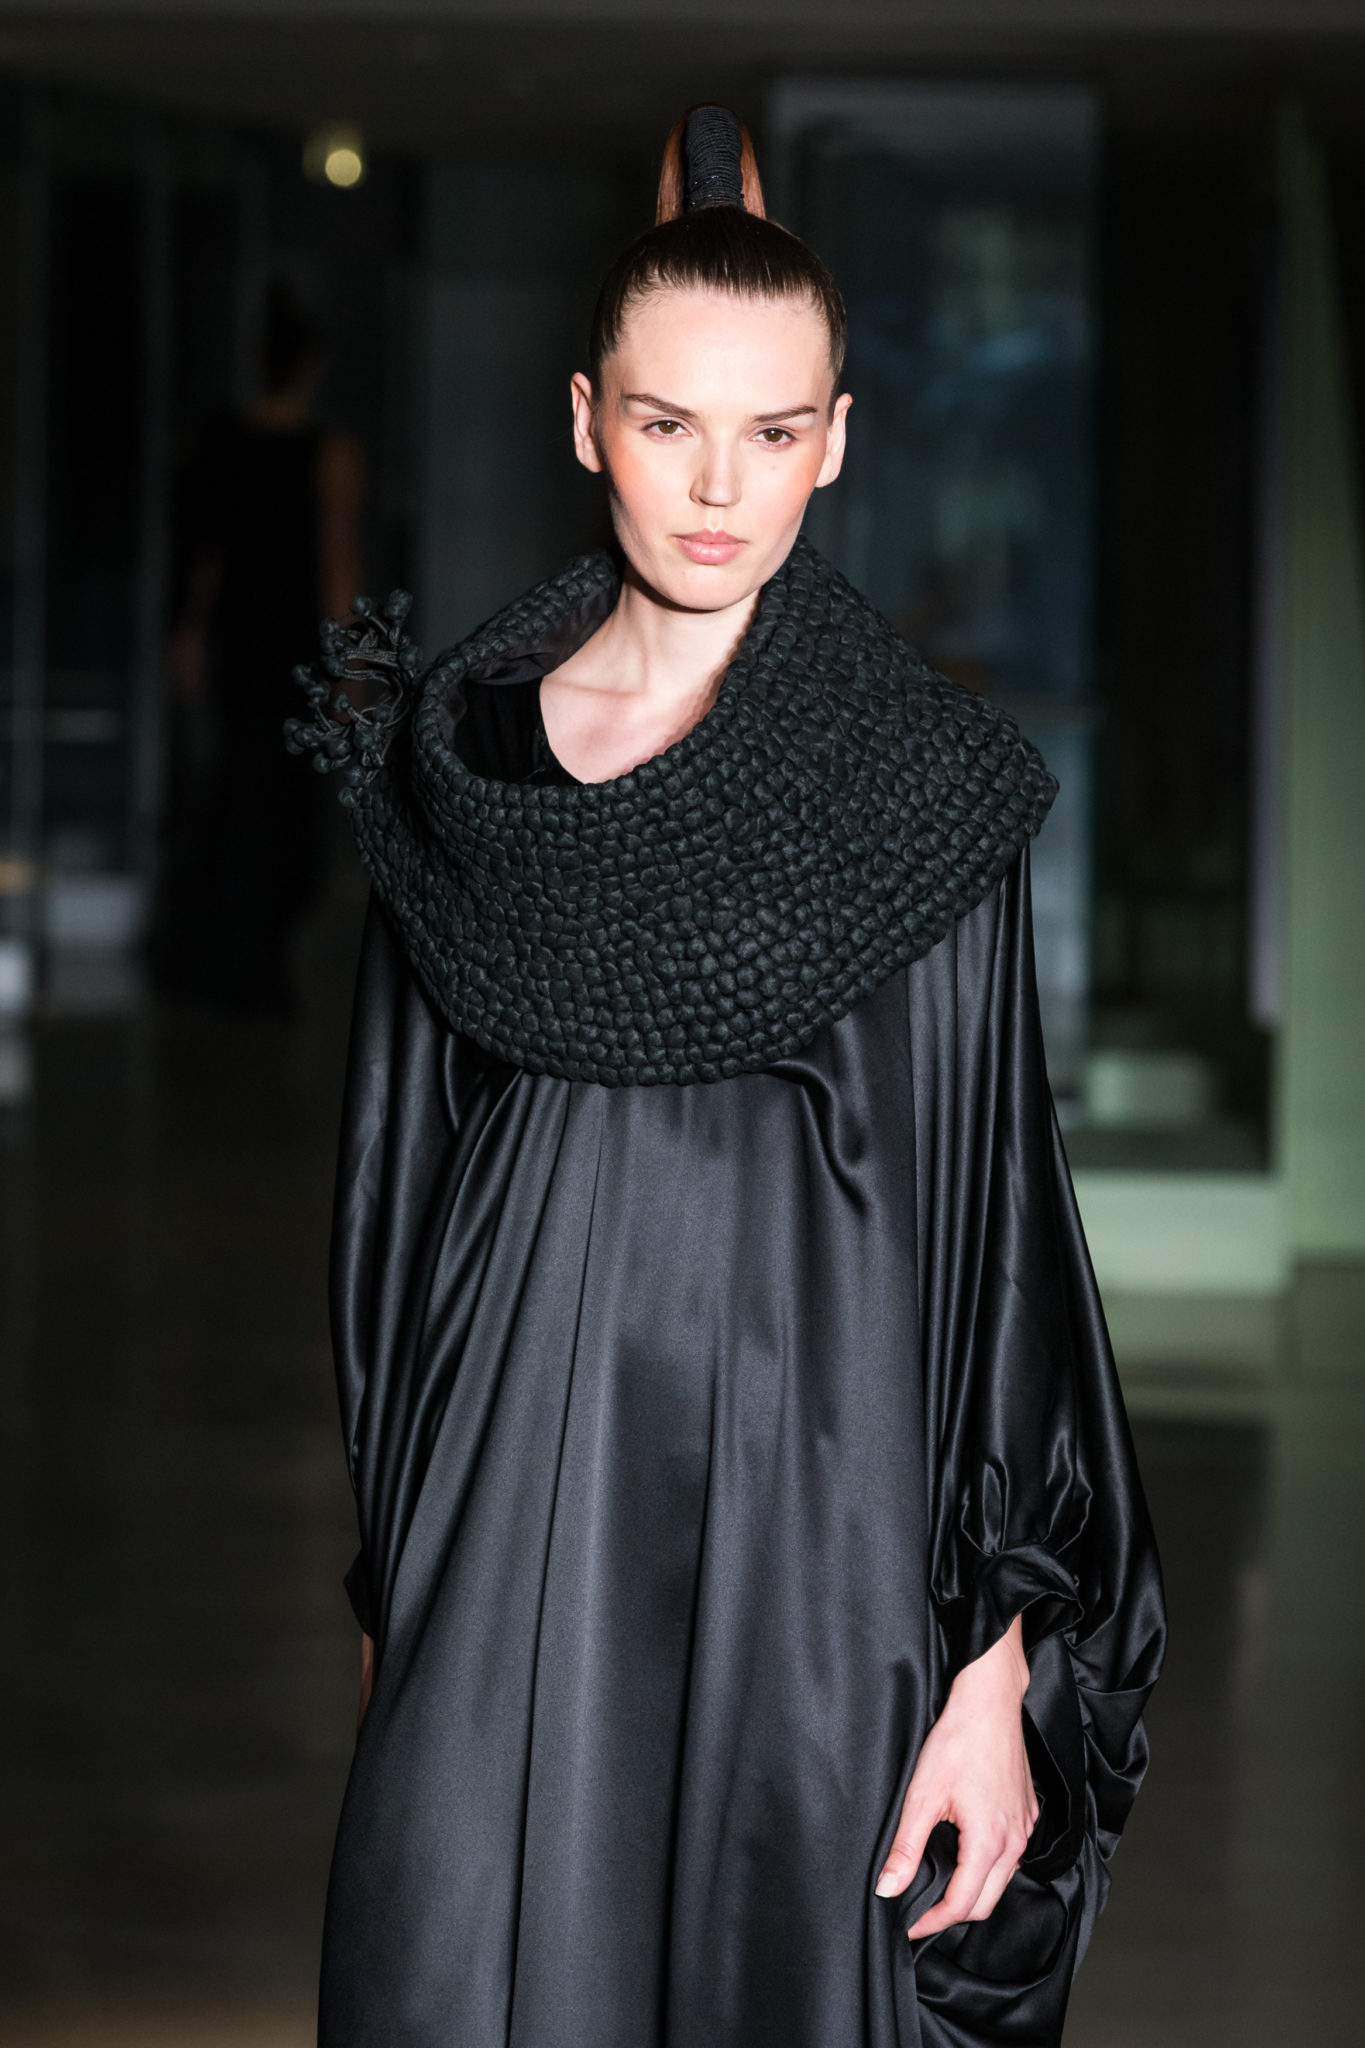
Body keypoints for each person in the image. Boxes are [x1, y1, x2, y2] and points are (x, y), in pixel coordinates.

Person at [290, 107, 1164, 2048]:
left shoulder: (916, 788)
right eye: (669, 422)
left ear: (836, 440)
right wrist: (392, 1585)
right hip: (509, 1508)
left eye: (772, 433)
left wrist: (991, 1664)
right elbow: (392, 1209)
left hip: (815, 1527)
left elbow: (996, 1230)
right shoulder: (462, 769)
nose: (717, 486)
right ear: (584, 419)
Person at [161, 284, 364, 1012]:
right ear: (310, 365)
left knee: (239, 790)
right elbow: (336, 565)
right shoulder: (328, 455)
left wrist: (190, 634)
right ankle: (259, 961)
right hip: (292, 644)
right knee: (283, 801)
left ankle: (230, 957)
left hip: (240, 640)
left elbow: (208, 556)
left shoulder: (225, 444)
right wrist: (351, 664)